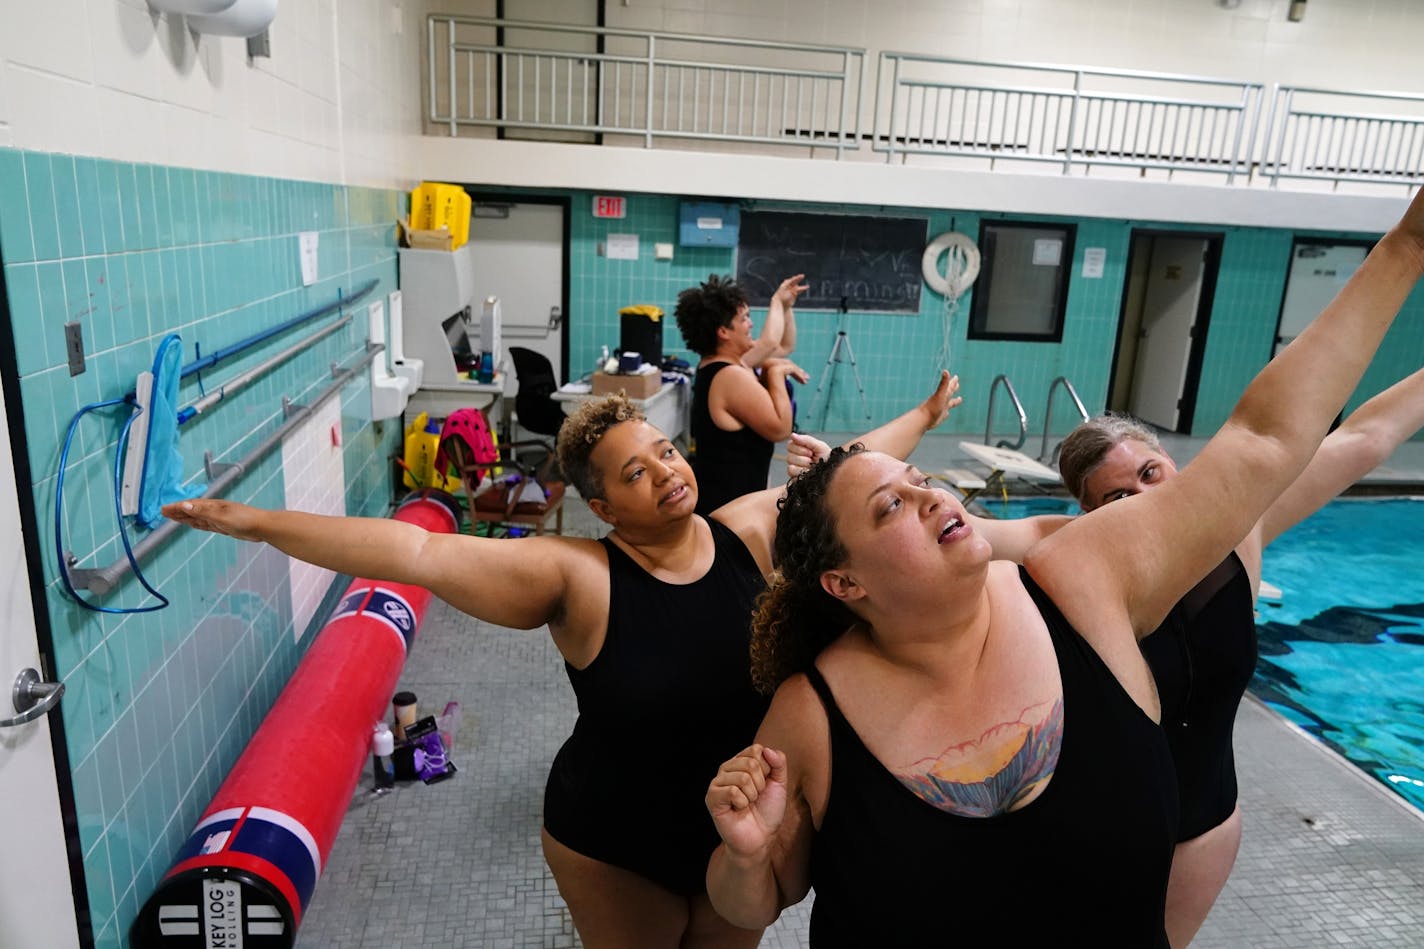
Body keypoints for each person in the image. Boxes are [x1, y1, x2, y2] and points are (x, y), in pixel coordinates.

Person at [704, 188, 1424, 946]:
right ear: (845, 583)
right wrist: (745, 855)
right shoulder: (811, 709)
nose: (928, 494)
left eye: (920, 480)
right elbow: (751, 903)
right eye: (889, 507)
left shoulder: (1082, 577)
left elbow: (1262, 439)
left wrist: (1408, 245)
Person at [163, 374, 959, 949]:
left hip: (735, 827)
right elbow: (415, 549)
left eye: (664, 453)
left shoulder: (752, 528)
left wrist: (922, 414)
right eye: (635, 474)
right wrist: (258, 520)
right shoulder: (576, 574)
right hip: (613, 839)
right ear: (605, 507)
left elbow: (855, 479)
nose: (665, 473)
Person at [1052, 361, 1424, 948]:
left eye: (1152, 473)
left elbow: (1361, 438)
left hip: (1205, 828)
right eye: (1118, 495)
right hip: (1101, 827)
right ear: (1090, 515)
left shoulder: (1240, 528)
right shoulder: (1072, 569)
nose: (1147, 499)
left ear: (1176, 465)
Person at [676, 273, 810, 514]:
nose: (751, 324)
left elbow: (783, 346)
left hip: (728, 499)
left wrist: (786, 307)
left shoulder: (727, 365)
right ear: (723, 332)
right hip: (726, 506)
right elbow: (780, 428)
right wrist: (776, 374)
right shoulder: (730, 376)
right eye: (744, 318)